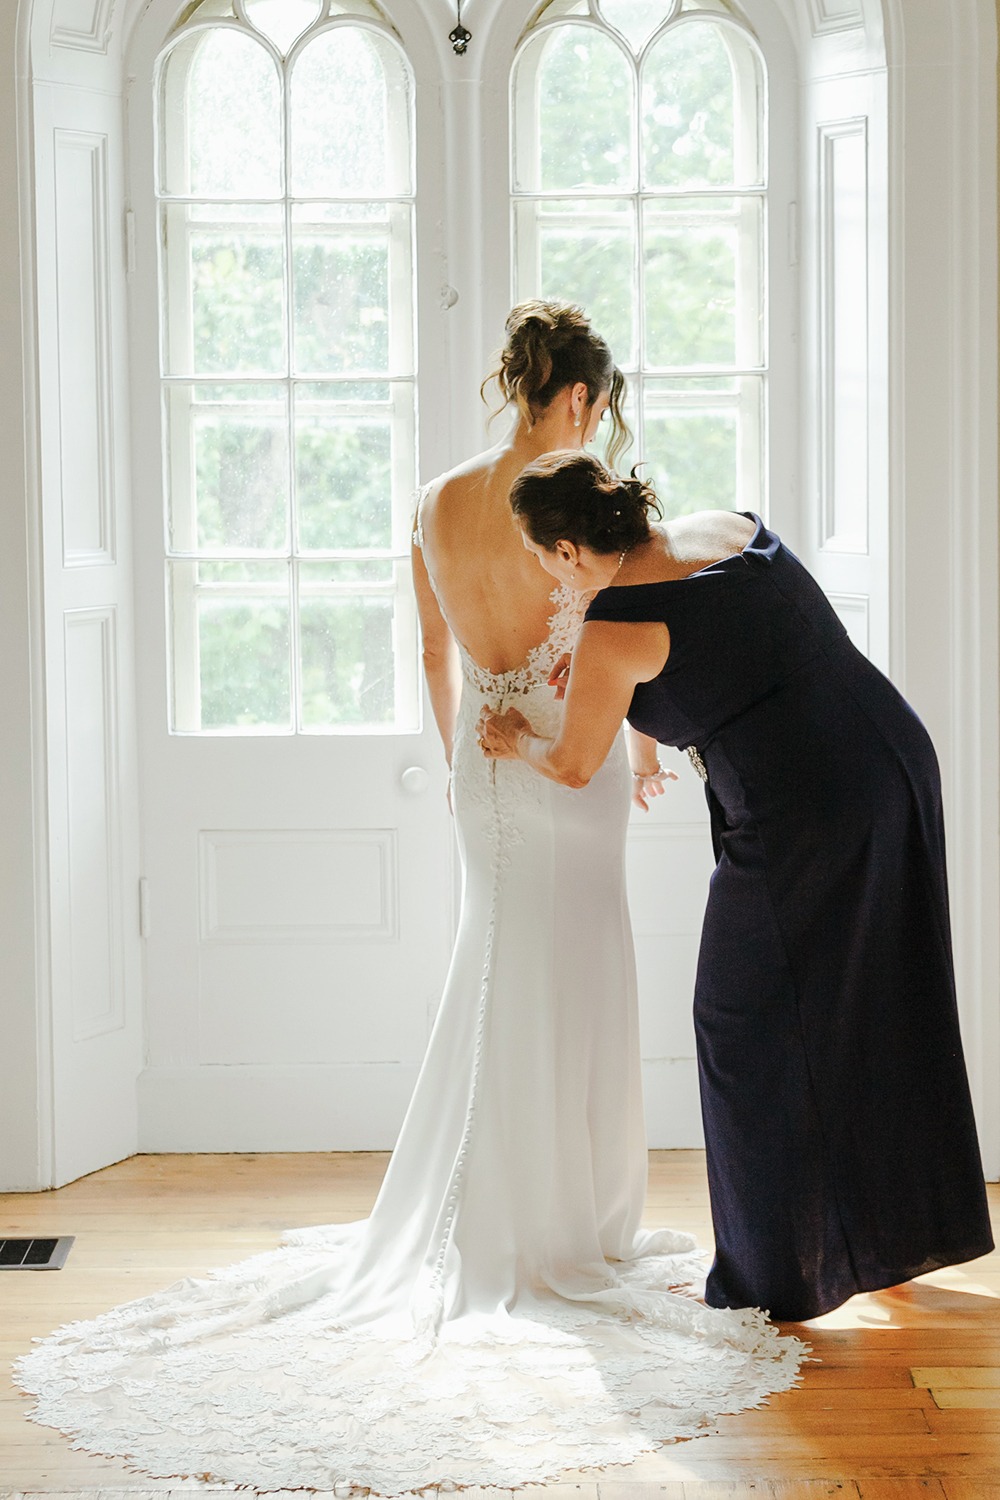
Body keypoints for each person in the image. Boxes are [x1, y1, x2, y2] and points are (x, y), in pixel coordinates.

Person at [14, 307, 804, 1497]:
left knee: (496, 968)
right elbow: (623, 635)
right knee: (579, 969)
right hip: (568, 760)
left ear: (515, 383)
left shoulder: (436, 500)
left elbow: (433, 654)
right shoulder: (580, 501)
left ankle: (497, 1213)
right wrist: (634, 751)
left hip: (486, 768)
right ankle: (569, 1229)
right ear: (581, 400)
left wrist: (462, 764)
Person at [479, 448, 994, 1324]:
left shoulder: (615, 624)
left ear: (567, 551)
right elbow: (727, 654)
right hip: (892, 761)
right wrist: (638, 727)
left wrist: (507, 738)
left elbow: (569, 762)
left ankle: (773, 1276)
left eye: (538, 555)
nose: (542, 572)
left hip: (809, 814)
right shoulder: (725, 528)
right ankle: (893, 1235)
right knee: (877, 996)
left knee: (739, 1021)